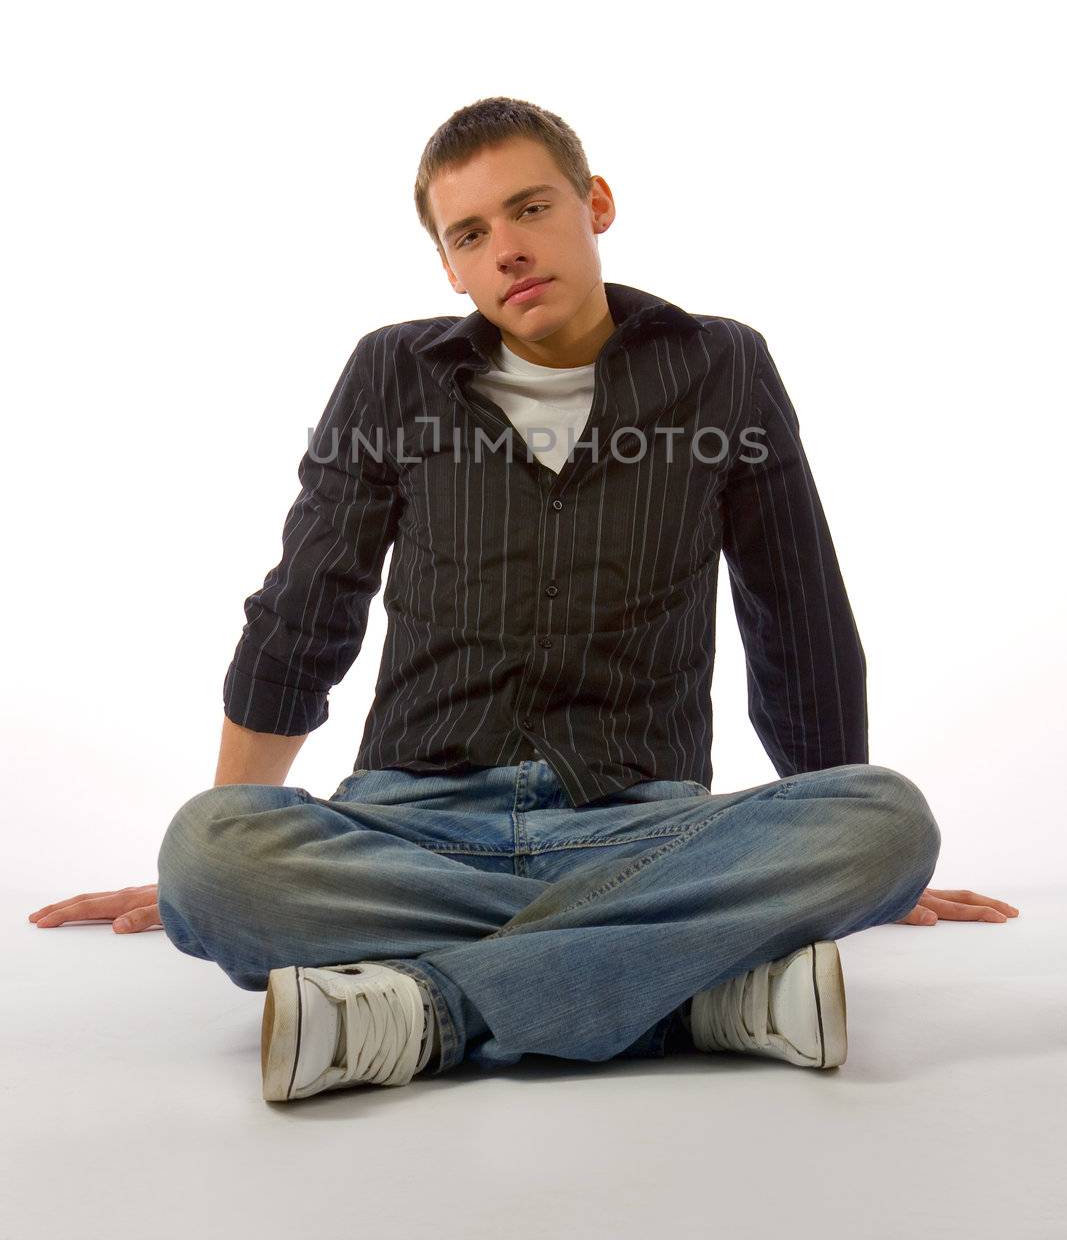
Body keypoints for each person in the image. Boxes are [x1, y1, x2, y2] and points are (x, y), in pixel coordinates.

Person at [28, 96, 1020, 1102]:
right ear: (449, 268)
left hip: (635, 826)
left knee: (882, 821)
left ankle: (430, 1009)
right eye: (470, 233)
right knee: (210, 856)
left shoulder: (722, 367)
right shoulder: (390, 374)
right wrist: (230, 817)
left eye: (530, 208)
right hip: (411, 828)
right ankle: (688, 990)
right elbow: (302, 610)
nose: (506, 248)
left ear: (593, 203)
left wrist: (832, 842)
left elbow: (795, 612)